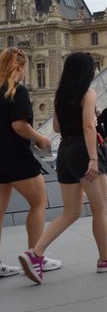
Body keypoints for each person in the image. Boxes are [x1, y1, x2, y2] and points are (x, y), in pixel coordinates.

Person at [19, 52, 107, 284]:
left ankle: (35, 253)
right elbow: (89, 127)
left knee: (70, 211)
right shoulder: (87, 94)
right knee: (100, 209)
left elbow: (58, 127)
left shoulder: (60, 95)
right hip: (84, 151)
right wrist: (92, 159)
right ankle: (105, 259)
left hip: (66, 152)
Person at [0, 48, 61, 278]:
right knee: (38, 203)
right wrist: (40, 138)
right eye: (24, 67)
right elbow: (18, 126)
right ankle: (36, 257)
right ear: (18, 66)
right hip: (17, 158)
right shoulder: (17, 91)